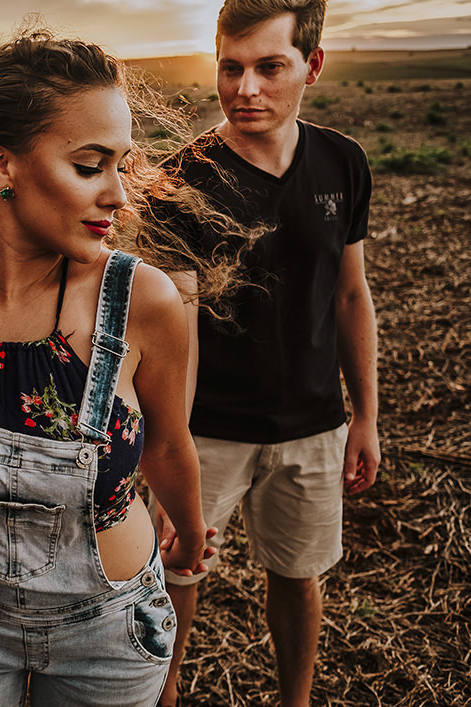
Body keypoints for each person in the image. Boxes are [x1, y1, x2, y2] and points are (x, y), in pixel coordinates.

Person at [0, 26, 248, 707]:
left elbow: (166, 446)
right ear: (1, 164)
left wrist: (188, 536)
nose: (118, 197)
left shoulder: (144, 302)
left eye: (121, 166)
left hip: (109, 633)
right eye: (89, 165)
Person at [151, 2, 381, 706]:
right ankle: (163, 695)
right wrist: (171, 455)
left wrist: (365, 415)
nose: (245, 88)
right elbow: (178, 330)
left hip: (313, 424)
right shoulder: (182, 178)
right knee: (177, 576)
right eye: (231, 67)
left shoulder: (343, 163)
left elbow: (350, 295)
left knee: (298, 573)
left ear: (311, 66)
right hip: (211, 430)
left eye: (268, 67)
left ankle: (297, 700)